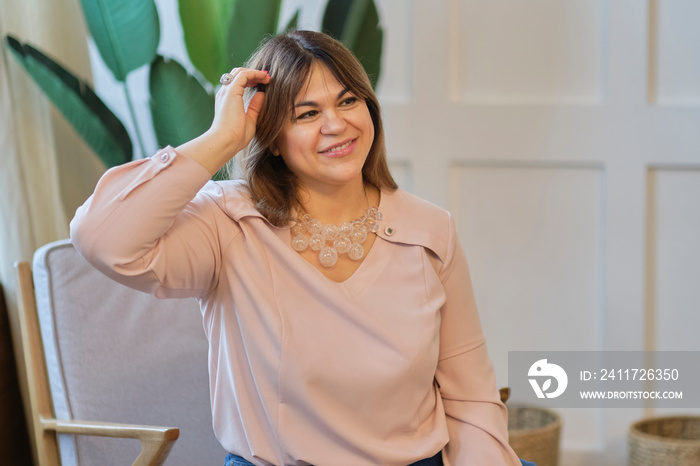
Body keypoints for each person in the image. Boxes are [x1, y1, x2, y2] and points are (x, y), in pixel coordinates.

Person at [71, 30, 531, 466]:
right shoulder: (228, 223)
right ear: (270, 137)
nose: (337, 125)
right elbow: (103, 236)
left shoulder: (430, 230)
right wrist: (222, 139)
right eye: (307, 114)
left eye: (348, 100)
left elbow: (470, 399)